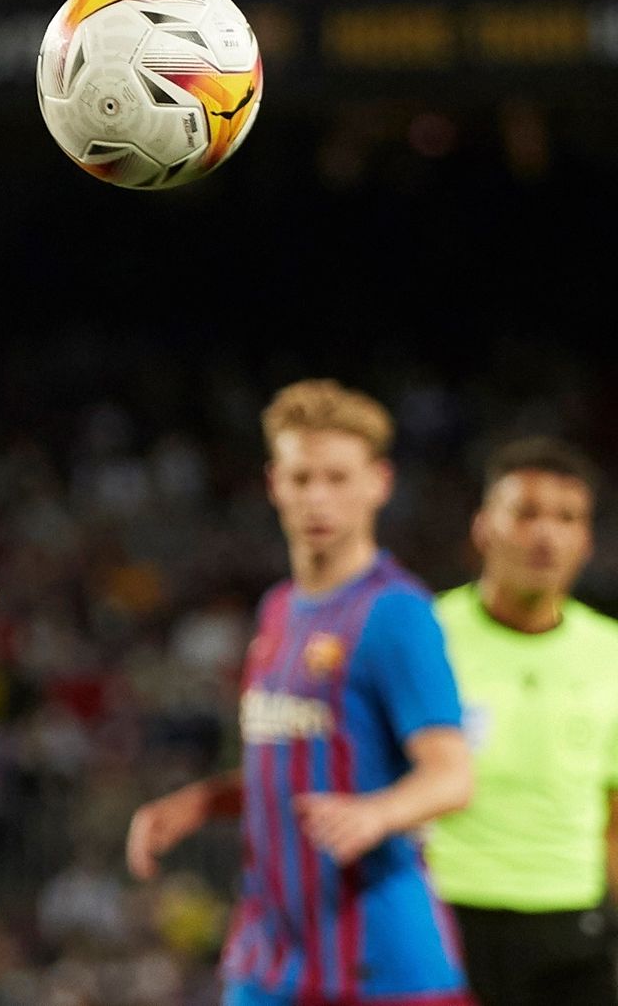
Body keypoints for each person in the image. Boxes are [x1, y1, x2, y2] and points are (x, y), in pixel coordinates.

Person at [125, 378, 475, 1006]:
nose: (318, 497)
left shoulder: (397, 614)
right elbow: (293, 756)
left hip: (378, 961)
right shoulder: (279, 610)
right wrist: (205, 802)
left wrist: (375, 814)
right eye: (302, 476)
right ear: (273, 484)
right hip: (269, 954)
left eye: (338, 478)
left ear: (379, 483)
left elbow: (452, 775)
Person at [426, 437, 618, 1006]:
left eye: (567, 518)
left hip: (571, 929)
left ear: (586, 540)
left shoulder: (610, 653)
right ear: (483, 527)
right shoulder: (424, 635)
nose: (545, 534)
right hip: (442, 916)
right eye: (526, 513)